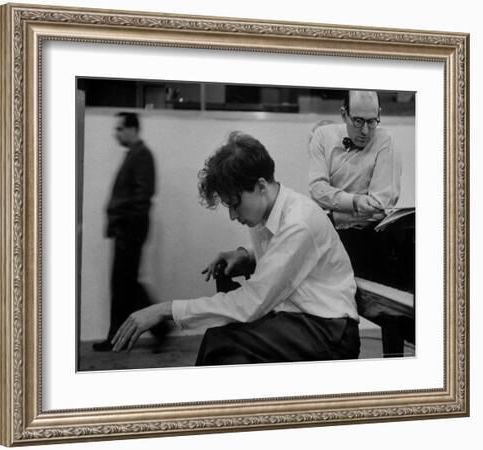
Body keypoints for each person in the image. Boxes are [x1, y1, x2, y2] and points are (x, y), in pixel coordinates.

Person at [111, 132, 360, 366]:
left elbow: (252, 303)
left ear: (261, 186)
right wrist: (248, 257)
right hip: (299, 316)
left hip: (329, 331)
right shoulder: (271, 212)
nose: (232, 215)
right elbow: (290, 260)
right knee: (221, 338)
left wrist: (166, 310)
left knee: (221, 343)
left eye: (235, 204)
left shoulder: (298, 221)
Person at [308, 90, 402, 280]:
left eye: (372, 122)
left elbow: (378, 208)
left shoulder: (386, 140)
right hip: (325, 238)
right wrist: (356, 201)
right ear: (344, 115)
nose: (365, 131)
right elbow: (317, 189)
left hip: (366, 242)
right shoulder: (322, 136)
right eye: (358, 121)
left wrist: (332, 216)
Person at [93, 112, 164, 351]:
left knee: (127, 285)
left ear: (133, 129)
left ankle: (160, 327)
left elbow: (142, 197)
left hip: (130, 232)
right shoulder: (134, 155)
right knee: (124, 285)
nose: (117, 133)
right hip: (126, 231)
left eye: (120, 129)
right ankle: (120, 336)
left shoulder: (142, 156)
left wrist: (126, 229)